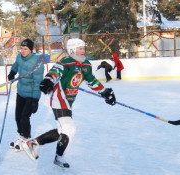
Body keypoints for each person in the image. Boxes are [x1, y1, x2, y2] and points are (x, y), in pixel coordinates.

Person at [21, 38, 116, 168]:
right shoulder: (66, 62)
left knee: (61, 131)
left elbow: (92, 82)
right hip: (59, 98)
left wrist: (106, 93)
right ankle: (59, 157)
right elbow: (55, 71)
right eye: (80, 48)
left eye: (83, 48)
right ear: (72, 50)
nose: (83, 51)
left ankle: (34, 143)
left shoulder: (86, 65)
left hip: (68, 101)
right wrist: (48, 80)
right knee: (69, 128)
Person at [7, 39, 44, 151]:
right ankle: (21, 136)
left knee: (24, 117)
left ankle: (27, 139)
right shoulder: (19, 56)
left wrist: (35, 100)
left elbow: (38, 83)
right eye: (21, 48)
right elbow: (16, 65)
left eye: (25, 49)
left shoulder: (36, 63)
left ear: (31, 49)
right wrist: (12, 73)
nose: (22, 51)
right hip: (21, 92)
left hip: (31, 94)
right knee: (18, 117)